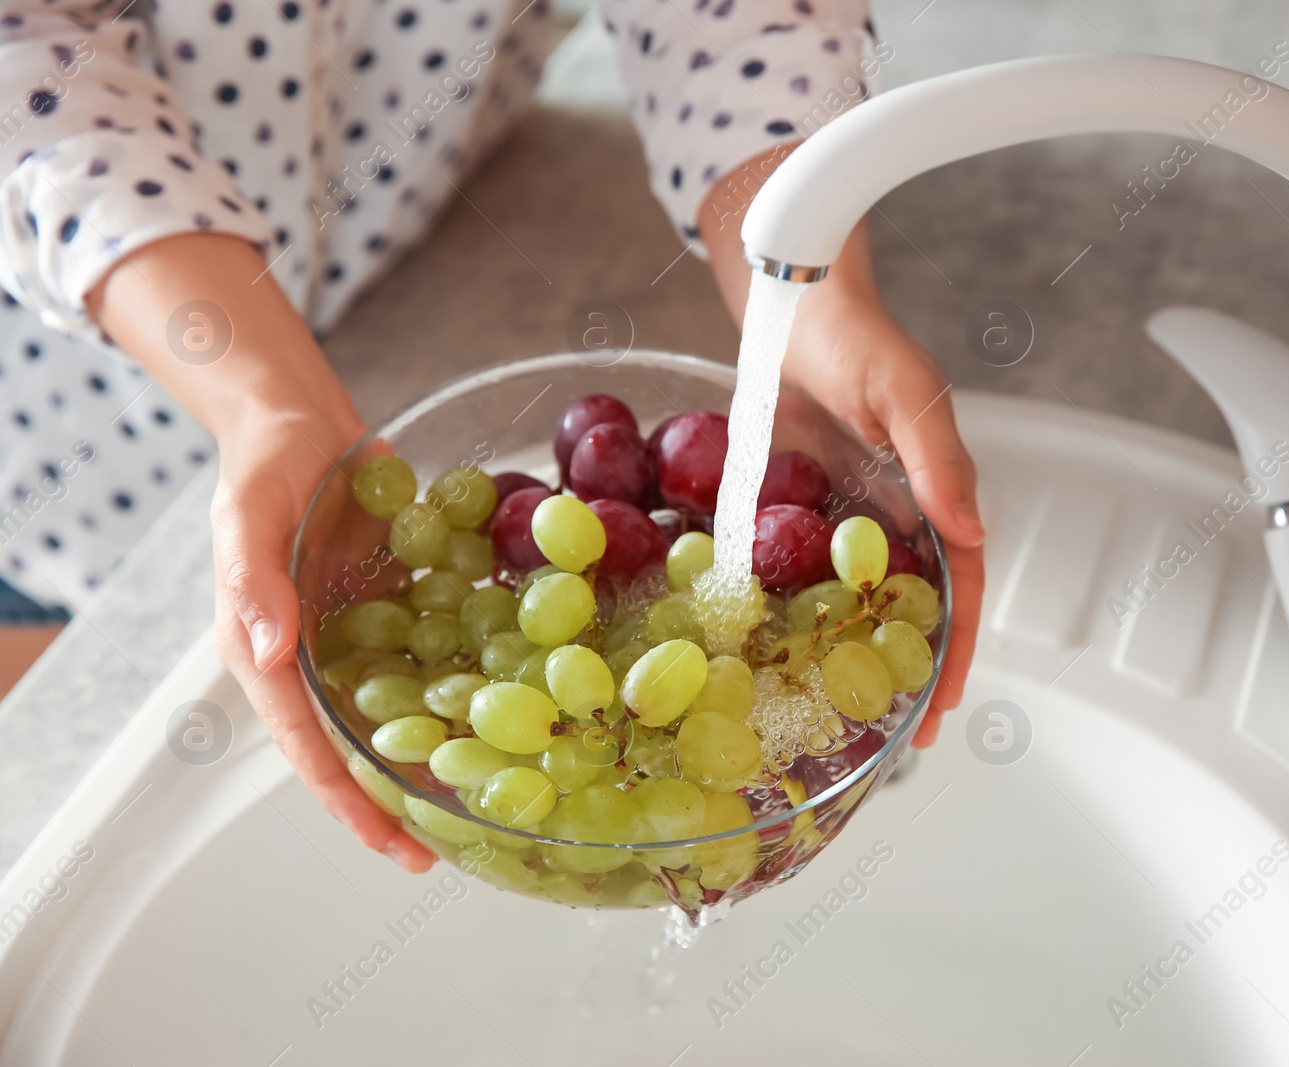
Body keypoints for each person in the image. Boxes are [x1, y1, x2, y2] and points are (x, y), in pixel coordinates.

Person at [0, 0, 984, 872]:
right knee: (55, 739)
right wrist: (265, 399)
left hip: (426, 218)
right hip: (92, 379)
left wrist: (812, 300)